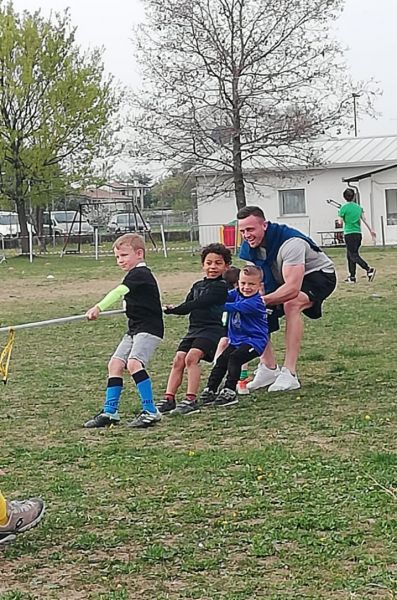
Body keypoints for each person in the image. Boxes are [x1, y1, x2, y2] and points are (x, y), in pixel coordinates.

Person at [238, 206, 337, 392]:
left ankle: (290, 373)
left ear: (264, 225)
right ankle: (268, 367)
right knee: (254, 307)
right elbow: (256, 282)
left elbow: (292, 289)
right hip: (281, 279)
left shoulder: (291, 243)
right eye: (242, 231)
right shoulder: (249, 247)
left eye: (250, 229)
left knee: (292, 303)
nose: (246, 235)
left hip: (318, 276)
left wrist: (262, 301)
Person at [84, 233, 164, 429]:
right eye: (117, 257)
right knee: (115, 364)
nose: (120, 261)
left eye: (124, 255)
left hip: (148, 328)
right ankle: (110, 412)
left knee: (134, 364)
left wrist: (98, 307)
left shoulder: (140, 273)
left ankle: (151, 411)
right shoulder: (133, 275)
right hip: (134, 328)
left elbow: (119, 291)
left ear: (139, 253)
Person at [158, 243, 231, 416]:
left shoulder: (221, 287)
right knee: (179, 359)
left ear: (226, 266)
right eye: (209, 262)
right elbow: (188, 303)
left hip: (212, 330)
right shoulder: (197, 285)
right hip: (194, 329)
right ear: (203, 264)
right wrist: (173, 308)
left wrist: (175, 309)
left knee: (192, 358)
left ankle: (191, 400)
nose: (212, 267)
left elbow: (198, 303)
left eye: (218, 263)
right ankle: (169, 398)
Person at [199, 265, 269, 407]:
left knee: (235, 358)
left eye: (251, 284)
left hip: (254, 341)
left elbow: (226, 306)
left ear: (259, 286)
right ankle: (211, 389)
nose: (246, 287)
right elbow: (223, 296)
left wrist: (209, 303)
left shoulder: (254, 303)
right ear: (238, 283)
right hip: (237, 340)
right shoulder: (236, 293)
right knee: (221, 361)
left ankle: (230, 391)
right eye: (243, 283)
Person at [215, 266, 251, 394]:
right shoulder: (236, 295)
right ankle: (240, 381)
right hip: (233, 328)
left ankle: (224, 377)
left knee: (225, 347)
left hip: (228, 328)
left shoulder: (227, 294)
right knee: (237, 353)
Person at [338, 188, 376, 283]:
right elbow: (364, 220)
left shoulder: (343, 208)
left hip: (349, 234)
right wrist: (371, 230)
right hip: (358, 234)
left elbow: (340, 222)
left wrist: (341, 218)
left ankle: (368, 269)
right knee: (350, 255)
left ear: (344, 197)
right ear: (354, 196)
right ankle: (352, 277)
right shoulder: (359, 208)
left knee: (353, 255)